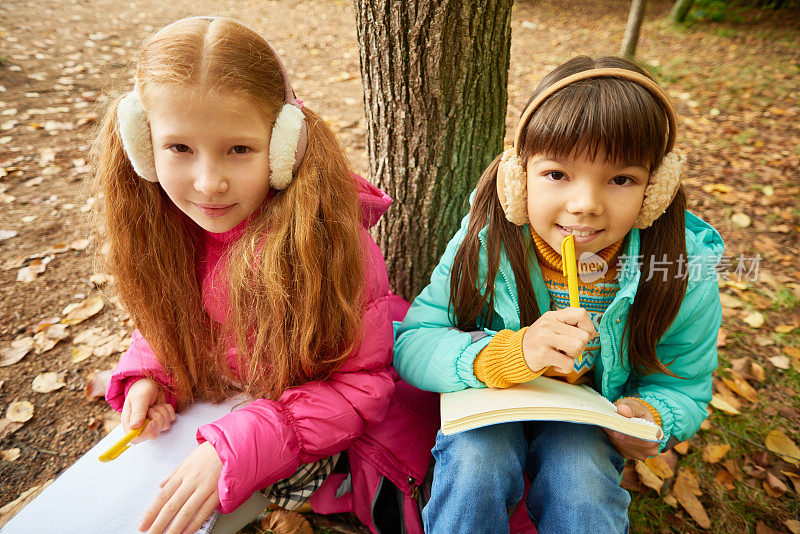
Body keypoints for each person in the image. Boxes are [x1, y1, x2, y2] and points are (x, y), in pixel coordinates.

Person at [94, 16, 436, 534]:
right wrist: (150, 373)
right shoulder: (163, 226)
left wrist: (243, 442)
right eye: (179, 149)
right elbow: (176, 320)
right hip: (236, 413)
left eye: (239, 149)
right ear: (142, 144)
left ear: (284, 146)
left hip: (325, 438)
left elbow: (361, 385)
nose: (209, 183)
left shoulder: (330, 242)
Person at [393, 55, 723, 533]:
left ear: (657, 190)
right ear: (518, 178)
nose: (584, 204)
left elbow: (684, 385)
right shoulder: (487, 239)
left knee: (581, 480)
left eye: (621, 179)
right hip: (493, 401)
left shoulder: (681, 269)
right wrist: (504, 354)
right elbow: (415, 340)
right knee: (473, 465)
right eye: (557, 174)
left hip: (589, 421)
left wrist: (652, 417)